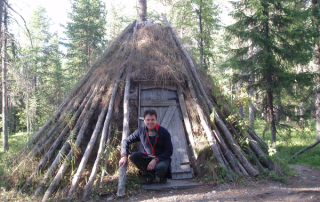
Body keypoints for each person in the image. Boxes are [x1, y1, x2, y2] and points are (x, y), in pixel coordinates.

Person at [119, 109, 173, 184]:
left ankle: (162, 176)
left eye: (152, 120)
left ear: (156, 120)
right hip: (148, 157)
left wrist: (156, 160)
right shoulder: (140, 131)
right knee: (134, 156)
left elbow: (169, 151)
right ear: (144, 121)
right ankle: (150, 175)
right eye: (148, 120)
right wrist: (124, 156)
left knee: (160, 167)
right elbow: (126, 141)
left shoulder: (164, 132)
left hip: (161, 159)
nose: (150, 122)